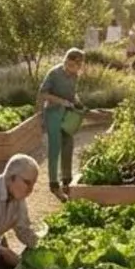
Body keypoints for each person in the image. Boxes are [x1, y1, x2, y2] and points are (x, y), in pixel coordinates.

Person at [39, 49, 87, 196]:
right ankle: (53, 183)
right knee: (55, 148)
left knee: (68, 145)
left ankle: (67, 179)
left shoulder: (75, 75)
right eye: (69, 64)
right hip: (53, 113)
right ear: (66, 60)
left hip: (68, 115)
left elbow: (73, 93)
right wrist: (62, 101)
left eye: (76, 67)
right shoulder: (54, 73)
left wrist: (78, 103)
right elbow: (43, 94)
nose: (71, 69)